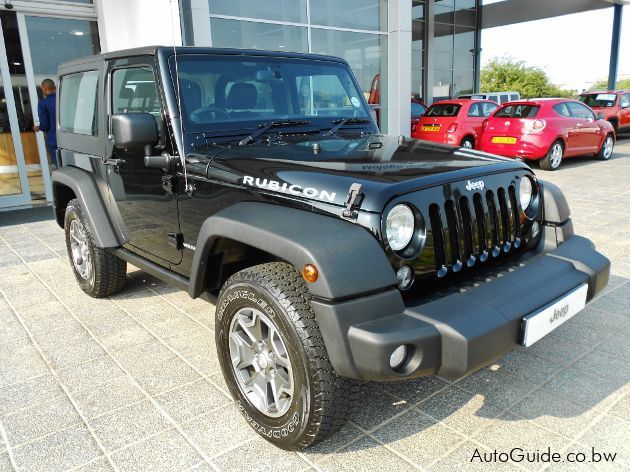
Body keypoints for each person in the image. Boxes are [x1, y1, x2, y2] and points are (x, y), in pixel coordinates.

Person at [33, 78, 58, 168]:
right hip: (69, 138)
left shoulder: (43, 104)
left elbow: (45, 125)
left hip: (54, 140)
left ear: (45, 89)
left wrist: (38, 127)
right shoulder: (63, 99)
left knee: (59, 166)